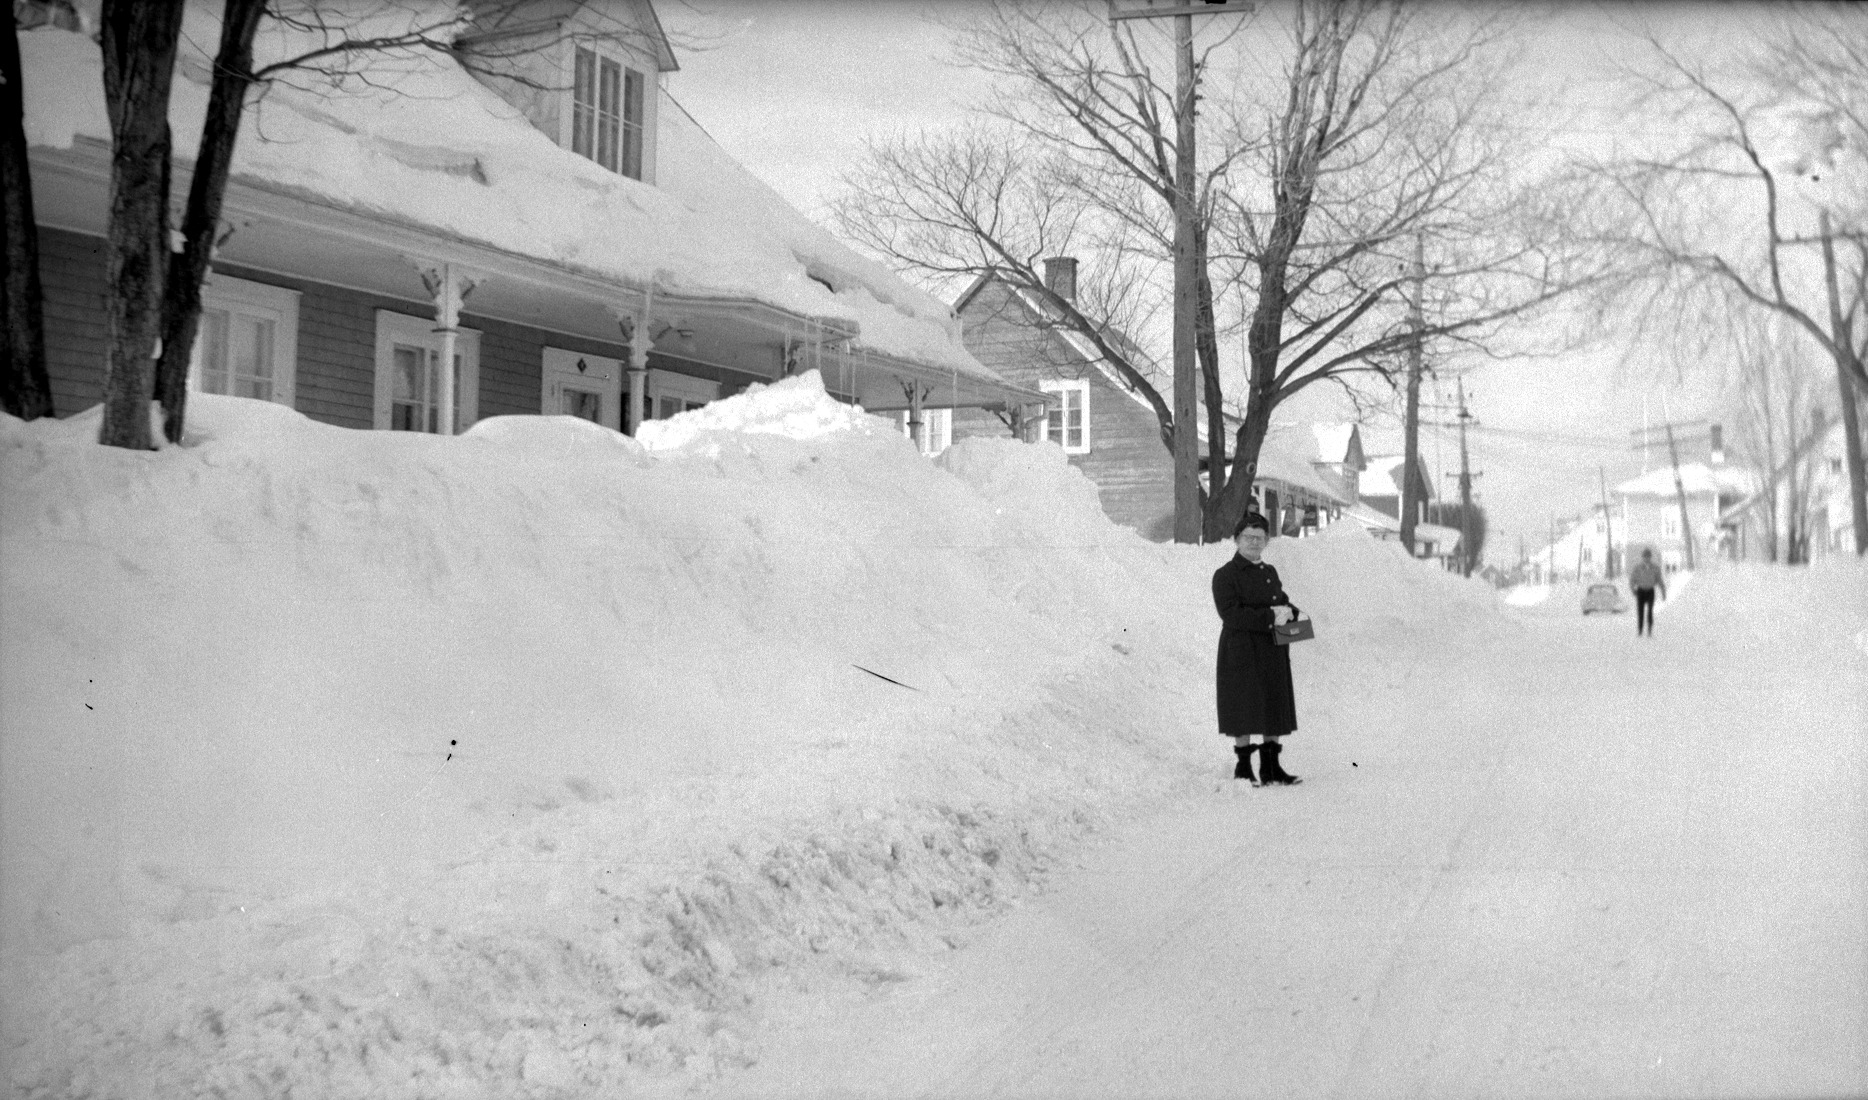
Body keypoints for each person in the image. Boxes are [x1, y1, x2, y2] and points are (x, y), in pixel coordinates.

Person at [1211, 512, 1301, 786]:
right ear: (1237, 539)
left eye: (1259, 538)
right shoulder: (1225, 575)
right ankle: (1243, 768)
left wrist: (1292, 614)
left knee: (1273, 702)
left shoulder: (1269, 572)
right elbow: (1230, 614)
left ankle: (1271, 767)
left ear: (1266, 542)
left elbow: (1281, 601)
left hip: (1272, 648)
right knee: (1244, 706)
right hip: (1241, 649)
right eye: (1248, 537)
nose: (1254, 543)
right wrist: (1270, 618)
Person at [1629, 548, 1666, 636]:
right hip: (1640, 591)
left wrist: (1663, 591)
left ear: (1650, 557)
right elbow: (1632, 580)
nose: (1646, 559)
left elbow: (1659, 580)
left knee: (1650, 611)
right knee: (1640, 611)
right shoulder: (1637, 568)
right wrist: (1633, 589)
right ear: (1642, 557)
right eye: (1645, 557)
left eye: (1648, 557)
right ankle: (1640, 630)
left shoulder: (1655, 568)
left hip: (1650, 591)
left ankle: (1649, 630)